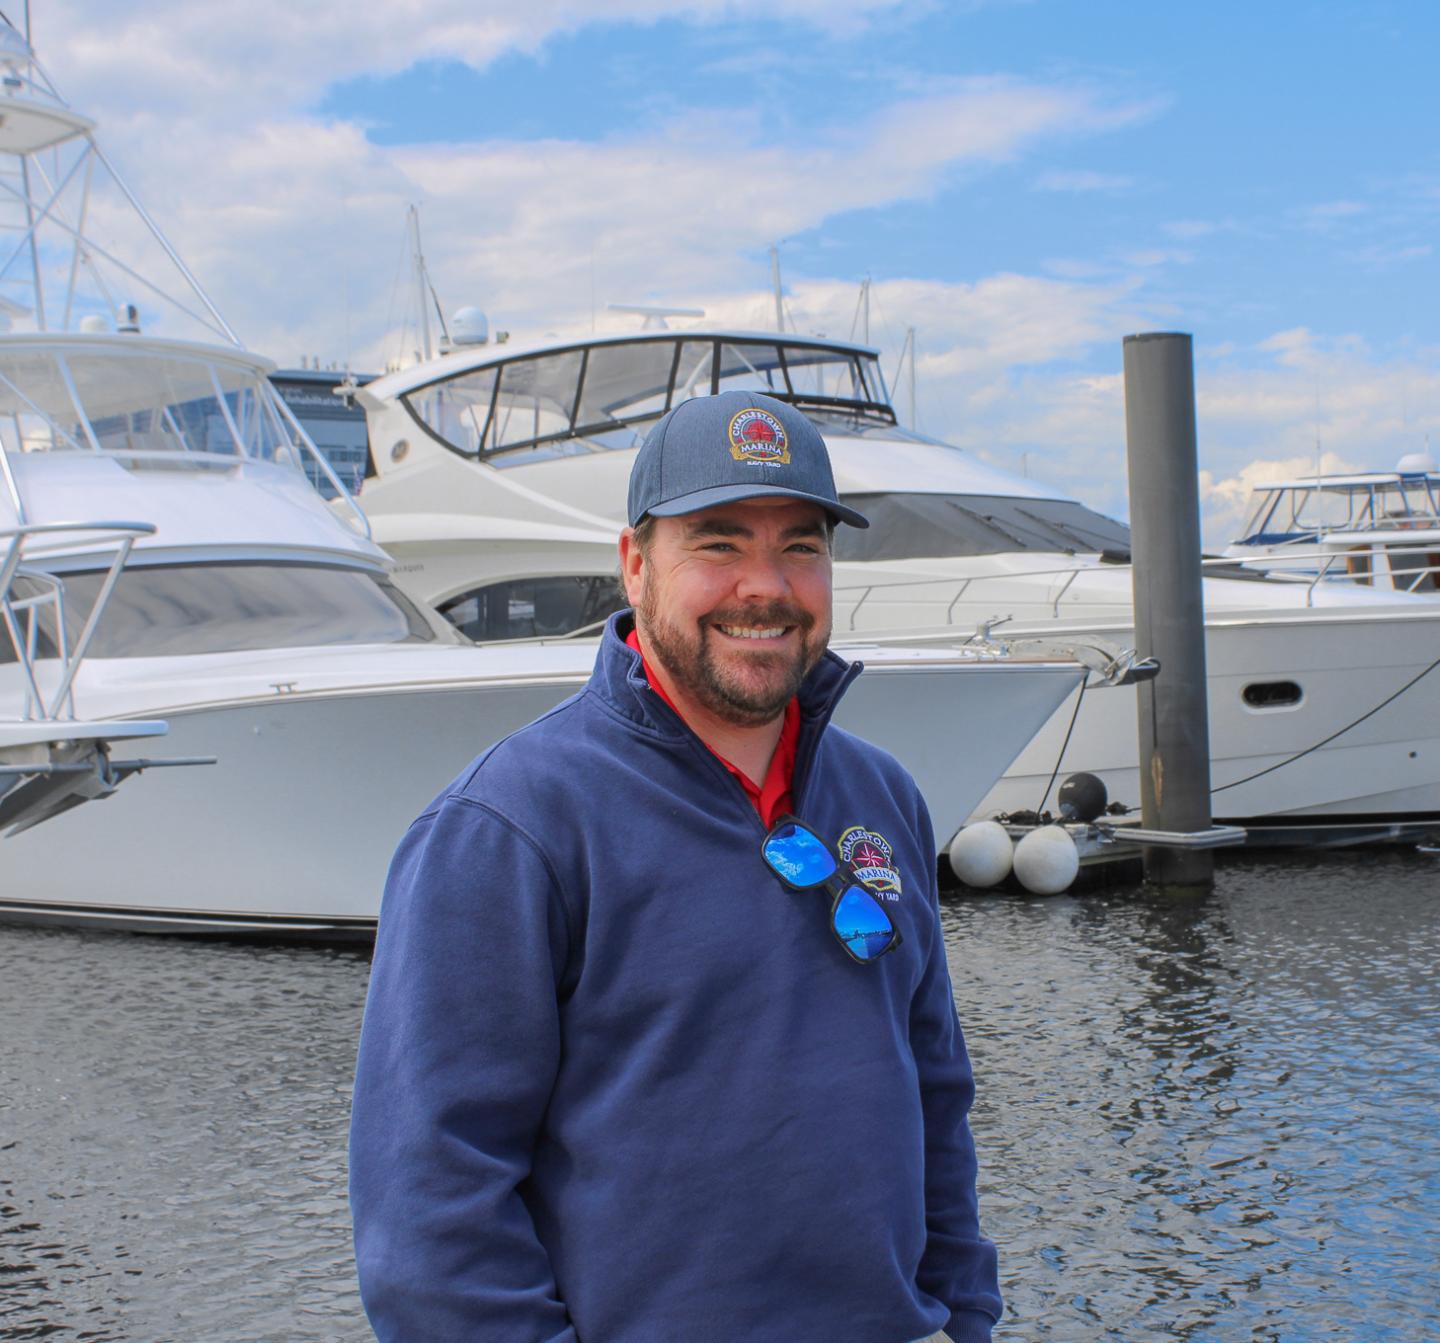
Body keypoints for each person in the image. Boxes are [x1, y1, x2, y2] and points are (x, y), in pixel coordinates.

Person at [349, 389, 1003, 1342]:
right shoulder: (507, 826)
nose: (765, 586)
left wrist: (966, 1314)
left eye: (801, 547)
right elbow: (430, 1214)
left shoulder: (883, 796)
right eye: (718, 543)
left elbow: (936, 1094)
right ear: (635, 564)